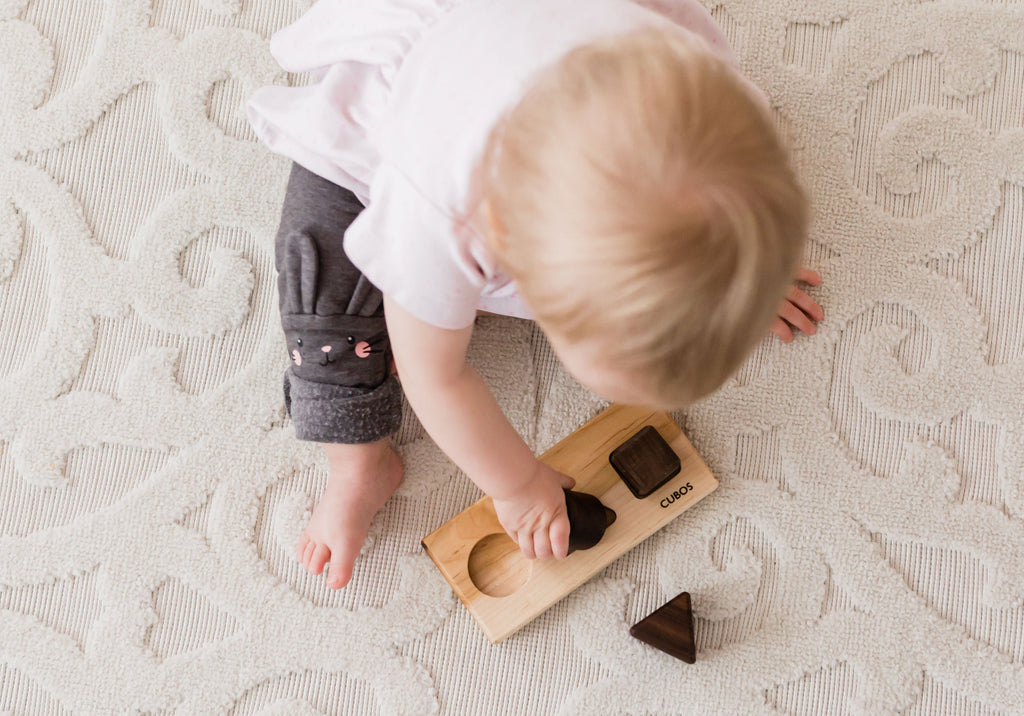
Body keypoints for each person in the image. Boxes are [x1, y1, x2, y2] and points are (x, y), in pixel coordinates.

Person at [247, 0, 824, 590]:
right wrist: (518, 487)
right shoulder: (443, 217)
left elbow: (713, 184)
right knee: (323, 297)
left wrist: (740, 264)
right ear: (515, 264)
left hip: (520, 38)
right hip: (386, 112)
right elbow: (436, 379)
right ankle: (358, 466)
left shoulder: (707, 90)